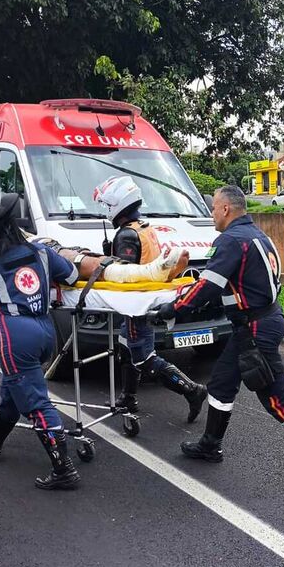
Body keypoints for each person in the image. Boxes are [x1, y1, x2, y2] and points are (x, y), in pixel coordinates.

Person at [152, 186, 284, 483]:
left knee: (276, 395)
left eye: (214, 207)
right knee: (221, 383)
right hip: (259, 321)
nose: (212, 213)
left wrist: (174, 308)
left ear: (226, 209)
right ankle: (210, 445)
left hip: (255, 327)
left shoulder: (229, 240)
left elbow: (208, 285)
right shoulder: (256, 234)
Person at [0, 194, 83, 490]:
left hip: (16, 337)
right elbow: (72, 275)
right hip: (46, 332)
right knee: (13, 392)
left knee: (35, 402)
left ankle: (63, 469)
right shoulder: (42, 252)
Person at [93, 176, 207, 422]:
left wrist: (107, 263)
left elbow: (126, 273)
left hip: (135, 304)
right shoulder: (144, 228)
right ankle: (128, 397)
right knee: (126, 347)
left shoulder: (126, 235)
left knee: (143, 357)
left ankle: (191, 390)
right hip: (146, 300)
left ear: (117, 204)